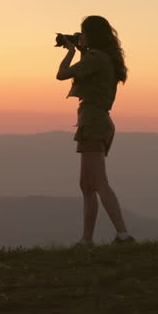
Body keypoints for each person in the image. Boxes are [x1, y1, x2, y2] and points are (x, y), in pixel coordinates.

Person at [56, 15, 135, 245]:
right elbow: (88, 73)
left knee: (99, 181)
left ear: (92, 34)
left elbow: (61, 75)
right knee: (86, 184)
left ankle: (123, 234)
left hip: (92, 122)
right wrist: (82, 49)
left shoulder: (95, 57)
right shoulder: (103, 58)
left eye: (84, 32)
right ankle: (86, 240)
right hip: (98, 121)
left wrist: (70, 51)